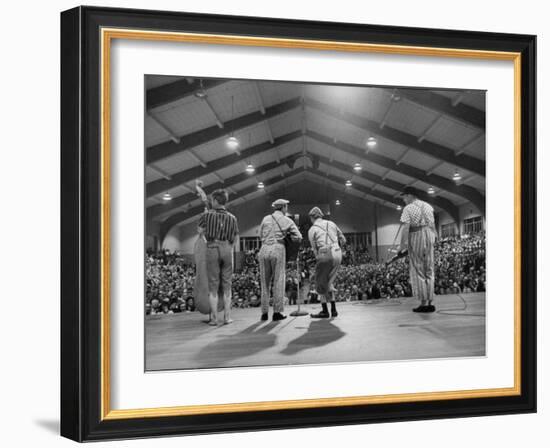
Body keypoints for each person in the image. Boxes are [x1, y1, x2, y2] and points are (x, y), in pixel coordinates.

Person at [197, 188, 239, 325]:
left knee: (213, 285)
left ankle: (214, 319)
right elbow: (235, 236)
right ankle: (227, 317)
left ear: (215, 200)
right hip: (227, 248)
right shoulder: (233, 217)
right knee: (227, 285)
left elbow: (199, 231)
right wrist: (229, 247)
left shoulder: (207, 215)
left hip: (212, 247)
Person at [258, 198, 302, 321]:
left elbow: (260, 235)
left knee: (264, 283)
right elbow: (298, 237)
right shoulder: (287, 220)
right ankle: (277, 313)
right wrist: (286, 238)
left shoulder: (265, 218)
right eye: (286, 206)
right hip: (278, 248)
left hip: (264, 248)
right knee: (278, 281)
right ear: (283, 207)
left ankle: (264, 313)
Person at [398, 187, 437, 313]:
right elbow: (433, 224)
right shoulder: (428, 206)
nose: (404, 199)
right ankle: (430, 301)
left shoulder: (408, 208)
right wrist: (434, 237)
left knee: (419, 269)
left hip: (416, 235)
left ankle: (423, 303)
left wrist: (402, 245)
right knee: (429, 269)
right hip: (429, 235)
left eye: (404, 196)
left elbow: (406, 227)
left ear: (410, 195)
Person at [307, 206, 346, 318]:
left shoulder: (312, 229)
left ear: (312, 217)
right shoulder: (331, 223)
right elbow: (343, 239)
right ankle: (333, 310)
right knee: (329, 281)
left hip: (325, 254)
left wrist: (320, 260)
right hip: (338, 253)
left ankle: (325, 311)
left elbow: (315, 249)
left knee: (320, 281)